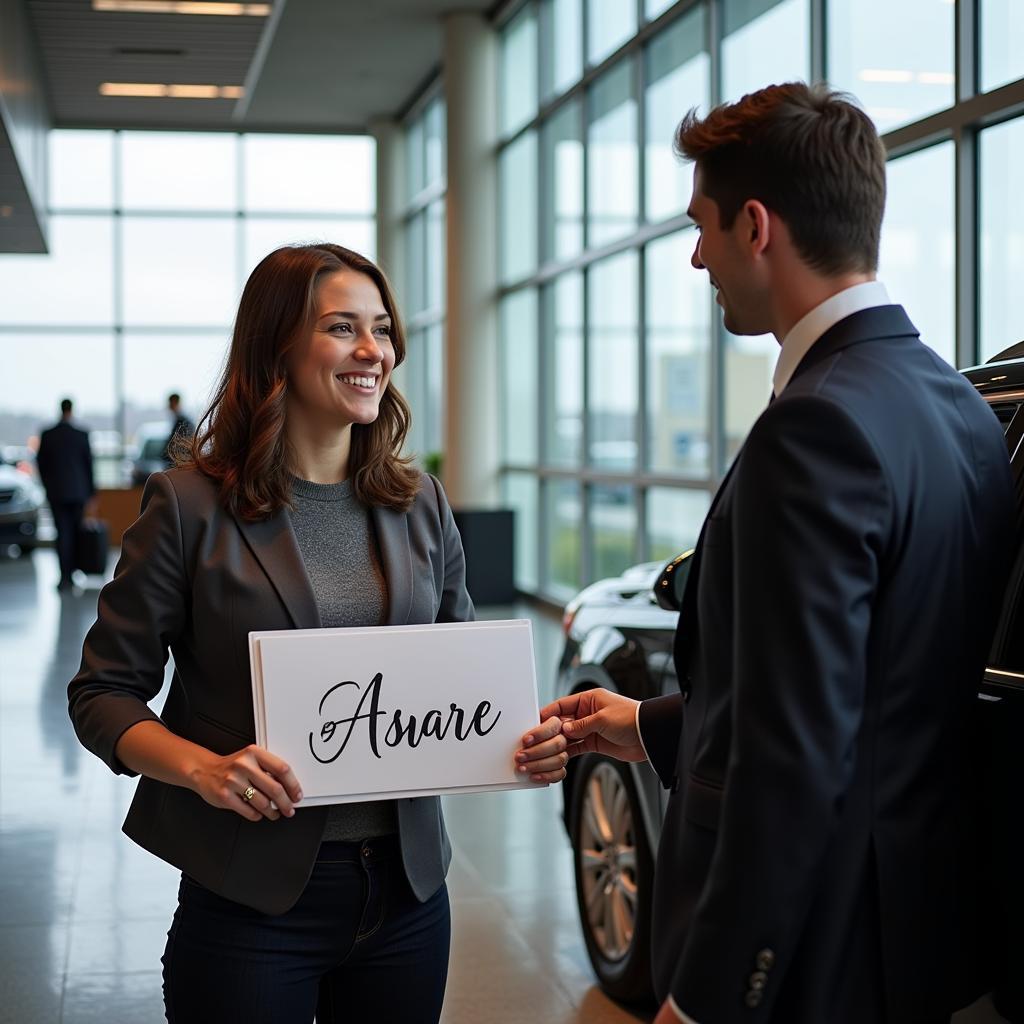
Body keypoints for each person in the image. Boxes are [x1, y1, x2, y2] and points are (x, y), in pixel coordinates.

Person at [518, 83, 1014, 1024]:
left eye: (701, 225)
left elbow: (797, 758)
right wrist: (653, 726)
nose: (696, 254)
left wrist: (710, 998)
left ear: (756, 226)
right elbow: (877, 691)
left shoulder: (817, 426)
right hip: (919, 935)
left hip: (811, 963)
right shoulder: (956, 404)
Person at [67, 243, 567, 1023]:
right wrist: (203, 769)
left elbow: (457, 676)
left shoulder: (420, 502)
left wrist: (517, 739)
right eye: (343, 328)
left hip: (408, 895)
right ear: (279, 347)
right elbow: (101, 694)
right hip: (249, 906)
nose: (375, 350)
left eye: (383, 329)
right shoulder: (188, 505)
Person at [37, 398, 95, 591]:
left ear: (60, 410)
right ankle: (74, 573)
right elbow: (89, 465)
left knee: (62, 533)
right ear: (72, 410)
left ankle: (64, 577)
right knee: (76, 532)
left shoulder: (48, 435)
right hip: (78, 493)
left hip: (57, 493)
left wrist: (48, 486)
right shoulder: (81, 434)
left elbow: (41, 465)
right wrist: (91, 493)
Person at [161, 392, 194, 466]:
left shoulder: (182, 421)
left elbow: (181, 443)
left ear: (175, 403)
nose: (169, 406)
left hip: (178, 461)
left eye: (170, 403)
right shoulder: (180, 420)